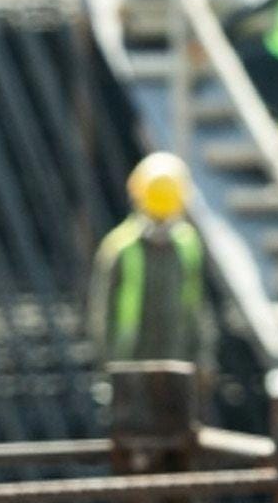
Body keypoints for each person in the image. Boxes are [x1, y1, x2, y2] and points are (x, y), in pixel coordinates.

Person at [89, 153, 210, 368]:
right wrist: (108, 362)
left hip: (176, 361)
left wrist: (201, 358)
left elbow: (196, 307)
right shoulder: (121, 247)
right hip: (129, 362)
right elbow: (102, 315)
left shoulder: (187, 244)